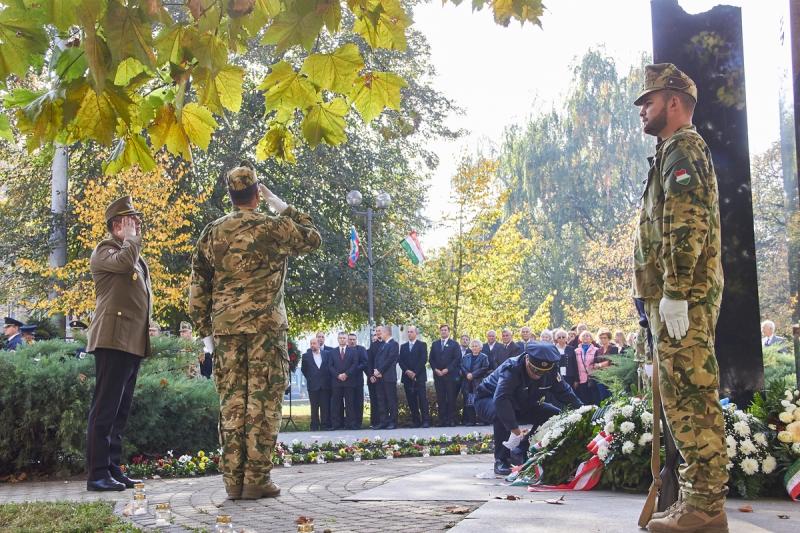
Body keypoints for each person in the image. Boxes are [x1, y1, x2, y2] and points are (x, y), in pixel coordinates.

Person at [189, 161, 321, 500]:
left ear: (230, 195)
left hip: (226, 331)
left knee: (232, 403)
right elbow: (312, 237)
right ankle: (256, 480)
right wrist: (281, 204)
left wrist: (207, 336)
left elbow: (198, 288)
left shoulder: (213, 232)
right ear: (256, 194)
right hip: (265, 330)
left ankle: (233, 482)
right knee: (262, 405)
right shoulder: (273, 227)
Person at [633, 63, 728, 532]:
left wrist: (674, 292)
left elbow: (685, 223)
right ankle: (699, 505)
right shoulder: (672, 150)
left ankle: (706, 508)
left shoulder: (684, 147)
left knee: (692, 400)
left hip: (682, 302)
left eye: (648, 101)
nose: (642, 111)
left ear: (673, 102)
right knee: (681, 399)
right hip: (673, 301)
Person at [85, 195, 150, 492]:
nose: (137, 226)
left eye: (136, 221)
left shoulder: (132, 253)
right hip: (112, 339)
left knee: (120, 411)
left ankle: (112, 468)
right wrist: (131, 241)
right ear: (116, 226)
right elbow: (124, 265)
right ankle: (97, 474)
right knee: (105, 409)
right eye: (130, 222)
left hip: (131, 341)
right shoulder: (105, 251)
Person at [475, 341, 582, 476]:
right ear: (527, 359)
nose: (538, 375)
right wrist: (514, 429)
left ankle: (521, 450)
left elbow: (565, 393)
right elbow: (501, 399)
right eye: (535, 370)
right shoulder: (512, 368)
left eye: (542, 372)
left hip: (522, 403)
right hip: (488, 399)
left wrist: (584, 410)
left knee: (553, 414)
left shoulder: (551, 371)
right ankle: (502, 459)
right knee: (500, 413)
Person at [429, 324, 461, 426]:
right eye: (442, 330)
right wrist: (435, 369)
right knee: (441, 398)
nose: (443, 332)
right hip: (438, 376)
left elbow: (457, 359)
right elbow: (431, 359)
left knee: (451, 398)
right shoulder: (435, 344)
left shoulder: (454, 344)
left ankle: (451, 420)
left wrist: (447, 369)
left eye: (445, 330)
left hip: (450, 376)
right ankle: (442, 420)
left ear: (449, 332)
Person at [399, 325, 430, 428]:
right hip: (407, 378)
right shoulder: (403, 347)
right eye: (408, 332)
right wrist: (407, 371)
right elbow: (400, 361)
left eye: (411, 332)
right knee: (411, 400)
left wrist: (414, 372)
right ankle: (416, 421)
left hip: (419, 377)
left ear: (416, 333)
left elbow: (423, 359)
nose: (409, 334)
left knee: (422, 399)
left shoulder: (422, 345)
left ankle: (425, 421)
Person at [329, 332, 359, 430]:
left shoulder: (353, 351)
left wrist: (346, 374)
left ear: (347, 339)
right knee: (336, 404)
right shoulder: (332, 352)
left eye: (344, 338)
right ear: (338, 339)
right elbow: (330, 366)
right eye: (340, 338)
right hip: (336, 382)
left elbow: (355, 364)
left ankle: (351, 424)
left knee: (350, 403)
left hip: (349, 381)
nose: (342, 339)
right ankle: (336, 424)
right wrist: (338, 375)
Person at [302, 337, 332, 431]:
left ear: (319, 344)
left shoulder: (327, 354)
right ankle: (314, 425)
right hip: (313, 385)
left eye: (314, 343)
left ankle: (324, 425)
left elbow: (329, 367)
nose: (312, 345)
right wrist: (311, 378)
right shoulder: (306, 356)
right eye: (311, 343)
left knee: (325, 406)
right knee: (314, 407)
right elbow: (304, 370)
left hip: (325, 385)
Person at [372, 325, 399, 429]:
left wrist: (380, 370)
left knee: (391, 400)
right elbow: (377, 359)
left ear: (387, 333)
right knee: (381, 400)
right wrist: (375, 370)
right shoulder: (382, 344)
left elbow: (391, 359)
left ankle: (392, 422)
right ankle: (383, 421)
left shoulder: (394, 344)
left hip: (388, 377)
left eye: (381, 332)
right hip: (379, 377)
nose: (379, 334)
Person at [572, 330, 609, 405]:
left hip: (593, 378)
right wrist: (576, 379)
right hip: (581, 379)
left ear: (591, 338)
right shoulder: (576, 351)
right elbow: (574, 366)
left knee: (595, 399)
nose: (585, 337)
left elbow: (598, 362)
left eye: (587, 335)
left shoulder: (597, 350)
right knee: (584, 400)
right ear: (580, 338)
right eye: (583, 335)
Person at [460, 339, 490, 426]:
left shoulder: (484, 357)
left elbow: (485, 368)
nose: (474, 347)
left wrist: (473, 374)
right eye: (473, 346)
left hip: (478, 382)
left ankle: (482, 420)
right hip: (468, 382)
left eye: (476, 346)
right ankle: (471, 421)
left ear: (480, 348)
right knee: (469, 402)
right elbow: (462, 366)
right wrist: (467, 374)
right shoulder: (466, 357)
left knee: (480, 401)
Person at [347, 333, 368, 429]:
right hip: (346, 381)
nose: (352, 341)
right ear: (347, 340)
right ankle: (350, 423)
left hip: (358, 380)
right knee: (349, 402)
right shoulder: (344, 349)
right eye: (350, 339)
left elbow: (365, 363)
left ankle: (358, 423)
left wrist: (354, 369)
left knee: (359, 402)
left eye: (354, 339)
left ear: (356, 340)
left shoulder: (361, 349)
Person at [366, 330, 384, 429]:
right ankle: (374, 421)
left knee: (382, 400)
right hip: (372, 379)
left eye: (376, 334)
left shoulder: (386, 345)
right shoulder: (370, 348)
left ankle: (383, 420)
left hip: (382, 377)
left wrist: (380, 373)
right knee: (374, 400)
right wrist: (370, 375)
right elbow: (368, 364)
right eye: (373, 335)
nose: (375, 336)